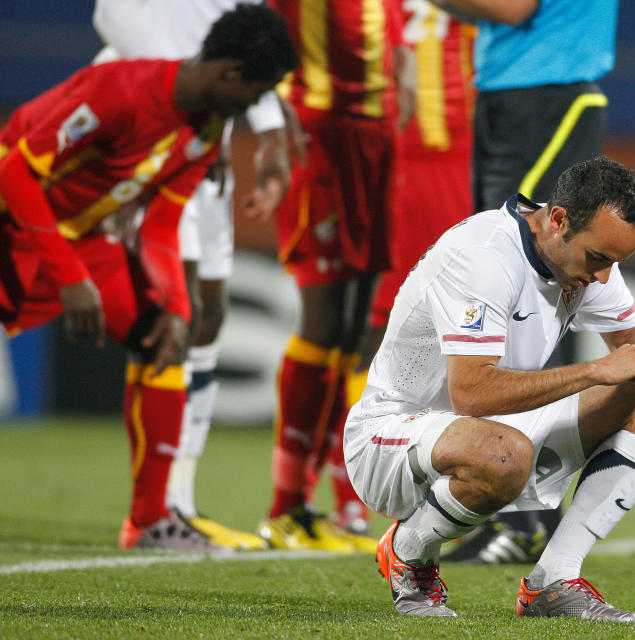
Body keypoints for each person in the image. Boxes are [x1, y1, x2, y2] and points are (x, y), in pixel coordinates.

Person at [0, 5, 297, 550]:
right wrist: (70, 276)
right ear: (229, 73)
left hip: (85, 241)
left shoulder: (206, 128)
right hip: (14, 218)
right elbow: (14, 171)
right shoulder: (120, 90)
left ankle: (151, 519)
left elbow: (161, 223)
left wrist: (176, 308)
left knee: (161, 338)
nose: (252, 107)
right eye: (254, 93)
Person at [344, 156, 635, 620]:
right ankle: (409, 550)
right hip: (390, 439)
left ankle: (554, 580)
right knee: (504, 453)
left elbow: (634, 336)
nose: (603, 276)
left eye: (615, 262)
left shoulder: (582, 256)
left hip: (494, 430)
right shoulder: (483, 257)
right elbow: (473, 394)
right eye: (600, 259)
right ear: (559, 219)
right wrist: (595, 371)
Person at [92, 0, 298, 551]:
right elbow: (113, 16)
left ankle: (177, 501)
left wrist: (268, 130)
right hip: (153, 120)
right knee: (173, 315)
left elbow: (250, 35)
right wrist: (183, 102)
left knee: (207, 316)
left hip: (208, 125)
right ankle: (155, 511)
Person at [429, 0, 620, 565]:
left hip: (549, 93)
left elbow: (511, 8)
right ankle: (516, 507)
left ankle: (529, 514)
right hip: (515, 91)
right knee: (496, 283)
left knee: (528, 287)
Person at [299, 0, 476, 538]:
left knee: (415, 332)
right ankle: (353, 494)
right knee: (377, 330)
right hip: (420, 157)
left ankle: (372, 492)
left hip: (430, 155)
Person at [258, 0, 412, 553]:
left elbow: (395, 36)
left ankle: (316, 503)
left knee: (352, 333)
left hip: (378, 140)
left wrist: (406, 76)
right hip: (318, 133)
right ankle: (284, 506)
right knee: (322, 324)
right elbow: (267, 35)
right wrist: (273, 135)